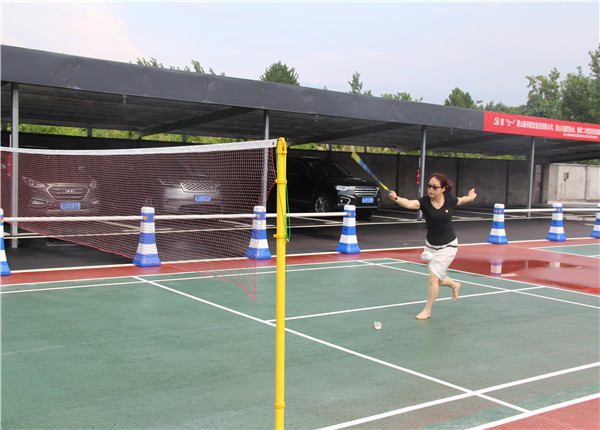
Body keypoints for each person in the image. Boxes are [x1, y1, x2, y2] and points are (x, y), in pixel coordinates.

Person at [389, 173, 476, 320]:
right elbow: (409, 203)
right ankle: (454, 285)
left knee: (433, 277)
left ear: (443, 189)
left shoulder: (450, 200)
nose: (430, 189)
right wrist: (396, 198)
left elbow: (462, 200)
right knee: (439, 279)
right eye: (429, 186)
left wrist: (471, 197)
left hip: (448, 246)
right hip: (431, 246)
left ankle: (427, 310)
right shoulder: (424, 202)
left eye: (434, 187)